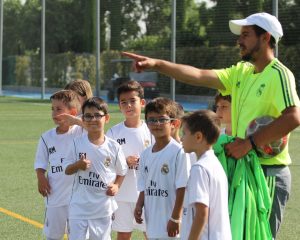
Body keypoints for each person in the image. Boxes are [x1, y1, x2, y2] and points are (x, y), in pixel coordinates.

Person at [123, 12, 300, 238]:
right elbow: (198, 74)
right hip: (240, 169)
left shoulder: (280, 74)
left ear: (265, 38)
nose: (239, 40)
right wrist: (157, 64)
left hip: (267, 172)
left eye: (246, 35)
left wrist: (250, 143)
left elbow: (294, 116)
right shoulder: (241, 72)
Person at [64, 97, 128, 240]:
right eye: (88, 116)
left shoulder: (114, 147)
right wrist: (77, 165)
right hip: (78, 208)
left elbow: (122, 171)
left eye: (97, 115)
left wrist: (117, 185)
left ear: (106, 118)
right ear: (83, 119)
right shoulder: (76, 143)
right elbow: (67, 170)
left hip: (102, 209)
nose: (93, 119)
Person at [134, 97, 191, 239]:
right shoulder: (146, 154)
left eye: (162, 119)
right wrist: (139, 205)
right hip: (152, 220)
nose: (157, 124)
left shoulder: (179, 152)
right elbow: (144, 186)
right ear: (146, 123)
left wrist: (175, 218)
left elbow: (182, 188)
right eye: (152, 120)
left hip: (171, 222)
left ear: (173, 123)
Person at [106, 80, 153, 240]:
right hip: (123, 195)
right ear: (119, 106)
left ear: (142, 103)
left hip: (148, 195)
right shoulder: (114, 132)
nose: (128, 106)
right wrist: (124, 161)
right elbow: (106, 162)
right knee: (124, 235)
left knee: (152, 234)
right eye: (124, 102)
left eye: (133, 101)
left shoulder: (152, 130)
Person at [34, 90, 84, 240]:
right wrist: (40, 177)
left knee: (78, 236)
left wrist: (75, 120)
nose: (54, 113)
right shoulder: (46, 137)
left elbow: (96, 129)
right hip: (55, 196)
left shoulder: (81, 130)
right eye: (52, 109)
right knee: (53, 236)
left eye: (59, 109)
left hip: (79, 198)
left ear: (73, 112)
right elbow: (40, 163)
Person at [180, 110, 231, 240]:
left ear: (198, 137)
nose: (181, 138)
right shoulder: (215, 164)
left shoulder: (200, 168)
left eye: (184, 133)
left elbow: (202, 213)